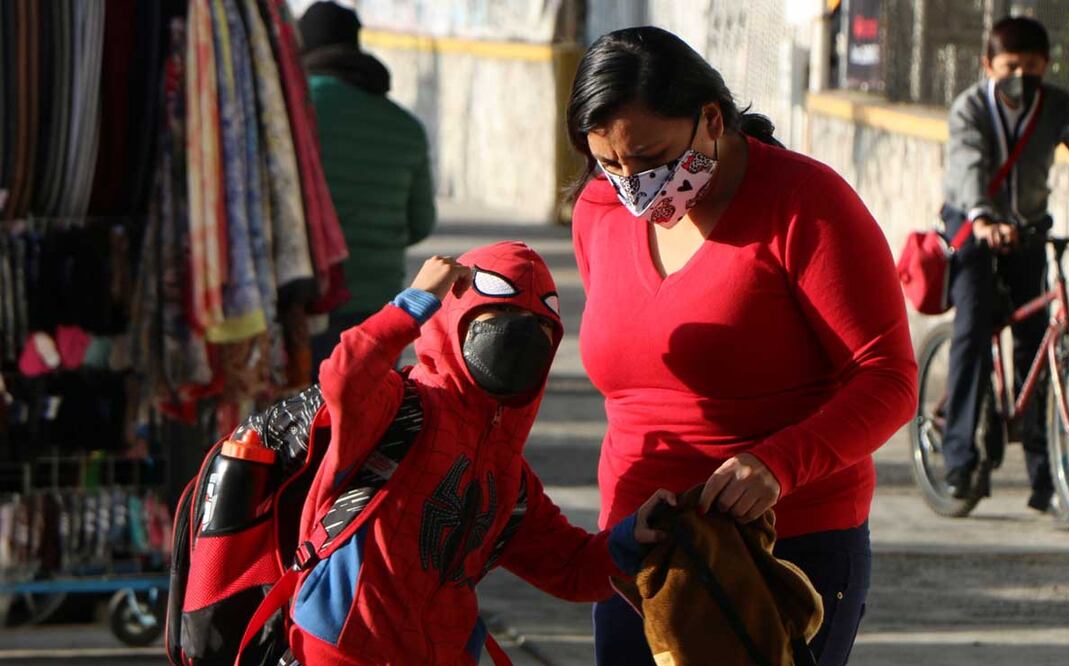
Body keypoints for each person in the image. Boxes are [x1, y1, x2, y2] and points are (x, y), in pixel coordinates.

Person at [565, 27, 917, 665]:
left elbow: (889, 378)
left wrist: (778, 465)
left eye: (649, 159)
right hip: (638, 549)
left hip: (780, 549)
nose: (633, 186)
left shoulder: (806, 205)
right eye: (610, 164)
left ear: (710, 119)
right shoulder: (599, 209)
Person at [288, 241, 672, 665]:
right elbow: (343, 377)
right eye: (502, 312)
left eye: (537, 323)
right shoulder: (397, 410)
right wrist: (414, 303)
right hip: (342, 648)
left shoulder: (509, 475)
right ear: (457, 317)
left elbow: (570, 566)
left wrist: (630, 537)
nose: (519, 331)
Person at [941, 16, 1069, 509]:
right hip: (972, 227)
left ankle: (1045, 478)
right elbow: (969, 162)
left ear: (1047, 66)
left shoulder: (1059, 105)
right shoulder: (970, 108)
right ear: (988, 65)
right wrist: (982, 218)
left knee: (1035, 341)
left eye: (1033, 66)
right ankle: (958, 459)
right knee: (973, 330)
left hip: (1029, 229)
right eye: (1011, 66)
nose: (1022, 75)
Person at [299, 2, 437, 376]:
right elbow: (421, 222)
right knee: (367, 419)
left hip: (302, 299)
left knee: (292, 427)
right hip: (378, 303)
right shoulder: (405, 125)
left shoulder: (290, 112)